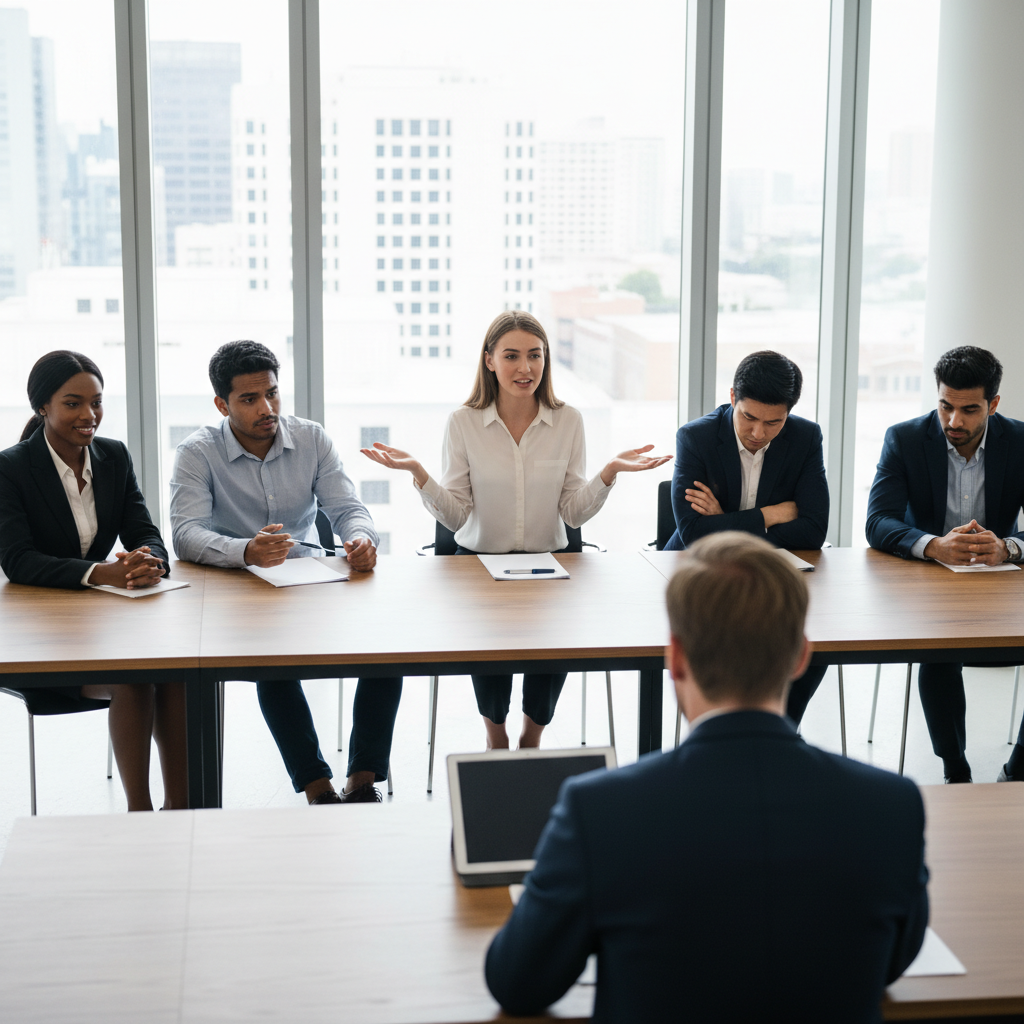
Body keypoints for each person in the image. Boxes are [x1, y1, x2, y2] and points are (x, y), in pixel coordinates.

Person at [485, 532, 929, 1023]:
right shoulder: (892, 806)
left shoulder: (600, 811)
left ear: (675, 658)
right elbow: (889, 963)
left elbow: (518, 982)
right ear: (802, 657)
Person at [361, 310, 669, 750]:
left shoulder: (568, 421)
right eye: (511, 356)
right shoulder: (463, 423)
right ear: (489, 360)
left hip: (550, 566)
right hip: (480, 566)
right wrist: (418, 473)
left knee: (552, 652)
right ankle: (496, 736)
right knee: (490, 656)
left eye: (535, 356)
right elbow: (455, 517)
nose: (525, 368)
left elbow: (573, 514)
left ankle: (531, 738)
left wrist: (609, 472)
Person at [169, 340, 401, 804]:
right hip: (240, 590)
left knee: (388, 651)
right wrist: (245, 550)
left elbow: (348, 508)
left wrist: (362, 541)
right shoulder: (198, 453)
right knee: (272, 663)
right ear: (222, 404)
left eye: (272, 393)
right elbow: (185, 533)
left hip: (311, 581)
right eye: (250, 399)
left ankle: (362, 780)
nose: (267, 407)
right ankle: (317, 788)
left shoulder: (311, 438)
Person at [0, 350, 187, 812]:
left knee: (181, 676)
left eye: (97, 402)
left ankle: (183, 809)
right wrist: (101, 573)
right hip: (41, 639)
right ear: (42, 406)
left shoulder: (113, 456)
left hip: (104, 626)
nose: (89, 415)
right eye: (72, 403)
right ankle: (140, 813)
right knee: (135, 680)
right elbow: (18, 560)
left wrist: (149, 560)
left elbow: (145, 531)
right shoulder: (11, 469)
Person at [866, 345, 1024, 783]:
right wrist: (933, 545)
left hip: (1001, 585)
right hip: (929, 584)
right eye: (945, 406)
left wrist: (1008, 547)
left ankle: (1019, 770)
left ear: (993, 404)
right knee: (939, 656)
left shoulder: (1021, 441)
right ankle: (956, 769)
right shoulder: (905, 439)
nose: (954, 422)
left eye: (969, 410)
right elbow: (878, 521)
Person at [663, 349, 830, 724]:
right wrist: (771, 514)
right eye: (749, 417)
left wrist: (725, 520)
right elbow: (693, 533)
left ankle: (782, 731)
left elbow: (814, 531)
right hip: (699, 573)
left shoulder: (805, 437)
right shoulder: (696, 438)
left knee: (816, 641)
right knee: (720, 644)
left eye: (774, 422)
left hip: (773, 574)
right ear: (733, 398)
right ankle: (720, 732)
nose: (758, 433)